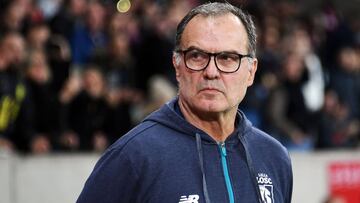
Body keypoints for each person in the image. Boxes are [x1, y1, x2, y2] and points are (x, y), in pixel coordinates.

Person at [77, 2, 293, 203]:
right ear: (177, 66)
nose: (211, 72)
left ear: (251, 71)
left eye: (227, 58)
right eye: (197, 56)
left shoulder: (274, 158)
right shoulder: (133, 157)